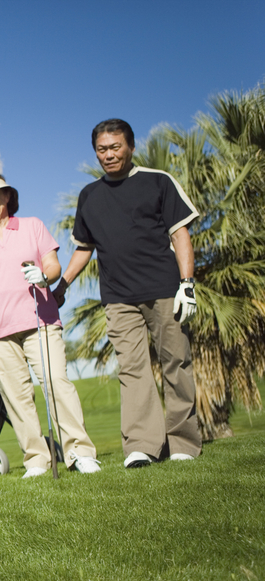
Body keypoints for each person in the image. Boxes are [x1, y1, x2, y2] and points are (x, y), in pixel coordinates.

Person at [52, 119, 201, 468]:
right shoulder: (89, 195)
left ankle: (183, 443)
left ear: (131, 147)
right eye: (102, 149)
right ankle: (142, 446)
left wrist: (187, 285)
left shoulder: (158, 181)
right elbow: (84, 249)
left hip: (165, 290)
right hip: (118, 297)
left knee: (175, 363)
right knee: (132, 369)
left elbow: (180, 235)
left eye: (115, 147)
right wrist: (62, 287)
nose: (109, 155)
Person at [0, 172, 101, 478]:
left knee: (56, 383)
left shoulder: (33, 226)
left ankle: (79, 452)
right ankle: (37, 460)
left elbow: (52, 265)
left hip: (40, 321)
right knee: (17, 396)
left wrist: (45, 277)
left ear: (8, 196)